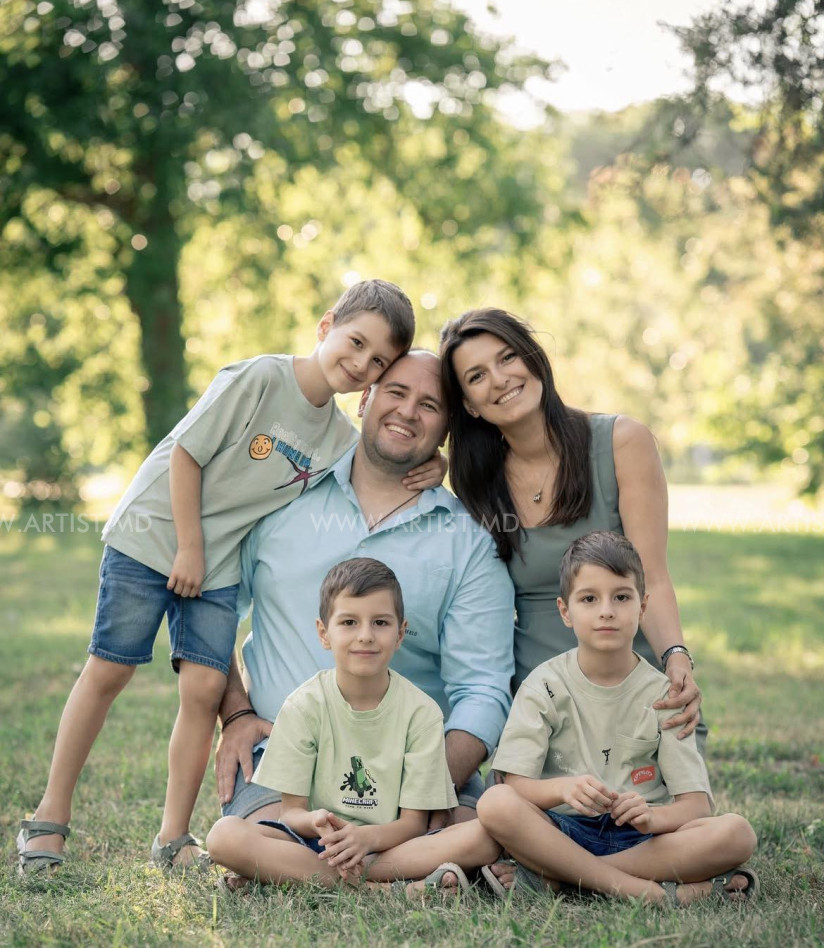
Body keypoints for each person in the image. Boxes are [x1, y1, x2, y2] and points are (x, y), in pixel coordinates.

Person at [18, 279, 441, 873]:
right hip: (155, 534)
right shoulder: (261, 378)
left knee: (202, 689)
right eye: (355, 342)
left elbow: (380, 456)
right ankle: (48, 818)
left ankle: (172, 838)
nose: (360, 363)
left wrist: (433, 461)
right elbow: (186, 454)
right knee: (110, 669)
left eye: (377, 361)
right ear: (326, 326)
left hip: (215, 562)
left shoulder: (338, 437)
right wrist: (188, 549)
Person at [213, 350, 515, 853]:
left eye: (429, 405)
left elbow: (483, 689)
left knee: (488, 834)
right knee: (248, 842)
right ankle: (400, 871)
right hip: (284, 760)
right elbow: (211, 610)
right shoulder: (282, 496)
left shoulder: (468, 541)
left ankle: (373, 860)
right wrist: (236, 713)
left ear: (446, 430)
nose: (407, 412)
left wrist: (422, 789)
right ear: (364, 399)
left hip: (418, 765)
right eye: (395, 392)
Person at [439, 308, 704, 726]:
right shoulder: (476, 484)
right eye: (477, 376)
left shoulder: (622, 443)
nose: (500, 379)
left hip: (638, 696)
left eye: (507, 357)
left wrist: (675, 657)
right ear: (468, 405)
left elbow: (652, 577)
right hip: (542, 708)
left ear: (533, 357)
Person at [477, 532, 758, 906]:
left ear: (643, 607)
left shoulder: (665, 695)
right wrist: (562, 789)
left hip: (641, 839)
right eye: (589, 599)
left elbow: (695, 806)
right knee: (495, 803)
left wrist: (652, 818)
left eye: (621, 597)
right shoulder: (543, 685)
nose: (606, 611)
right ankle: (647, 892)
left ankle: (563, 878)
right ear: (565, 611)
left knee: (737, 833)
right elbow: (515, 785)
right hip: (560, 830)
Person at [206, 557, 501, 893]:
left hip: (393, 845)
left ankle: (305, 876)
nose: (365, 636)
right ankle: (384, 889)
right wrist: (315, 821)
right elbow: (291, 814)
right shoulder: (303, 706)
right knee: (224, 837)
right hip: (320, 846)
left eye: (380, 623)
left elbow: (413, 823)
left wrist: (366, 838)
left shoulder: (421, 713)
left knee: (485, 837)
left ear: (400, 633)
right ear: (324, 633)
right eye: (349, 622)